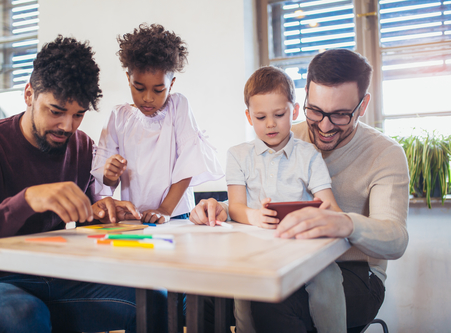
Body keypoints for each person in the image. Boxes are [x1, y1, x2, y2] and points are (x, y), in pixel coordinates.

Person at [0, 36, 166, 333]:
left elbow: (85, 223)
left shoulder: (81, 147)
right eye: (56, 111)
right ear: (29, 95)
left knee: (153, 299)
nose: (68, 126)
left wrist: (102, 214)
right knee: (22, 315)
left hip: (56, 274)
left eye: (78, 114)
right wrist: (25, 201)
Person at [190, 49, 410, 332]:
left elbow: (395, 239)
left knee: (271, 300)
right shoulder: (283, 134)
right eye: (315, 110)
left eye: (341, 115)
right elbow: (258, 195)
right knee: (203, 296)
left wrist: (345, 223)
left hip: (355, 271)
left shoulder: (386, 153)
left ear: (363, 104)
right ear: (304, 98)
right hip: (285, 255)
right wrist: (221, 208)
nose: (325, 126)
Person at [226, 66, 346, 333]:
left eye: (279, 115)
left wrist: (331, 217)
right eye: (260, 116)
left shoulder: (309, 154)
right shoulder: (237, 155)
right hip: (255, 248)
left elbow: (329, 204)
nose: (270, 124)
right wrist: (254, 216)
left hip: (302, 246)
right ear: (248, 117)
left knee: (328, 277)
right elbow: (235, 207)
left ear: (293, 111)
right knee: (243, 298)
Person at [91, 23, 224, 224]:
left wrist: (164, 209)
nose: (148, 98)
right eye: (139, 88)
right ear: (128, 79)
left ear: (171, 85)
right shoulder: (118, 117)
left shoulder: (178, 106)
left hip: (176, 214)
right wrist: (110, 173)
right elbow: (106, 182)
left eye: (158, 90)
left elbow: (187, 165)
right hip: (134, 217)